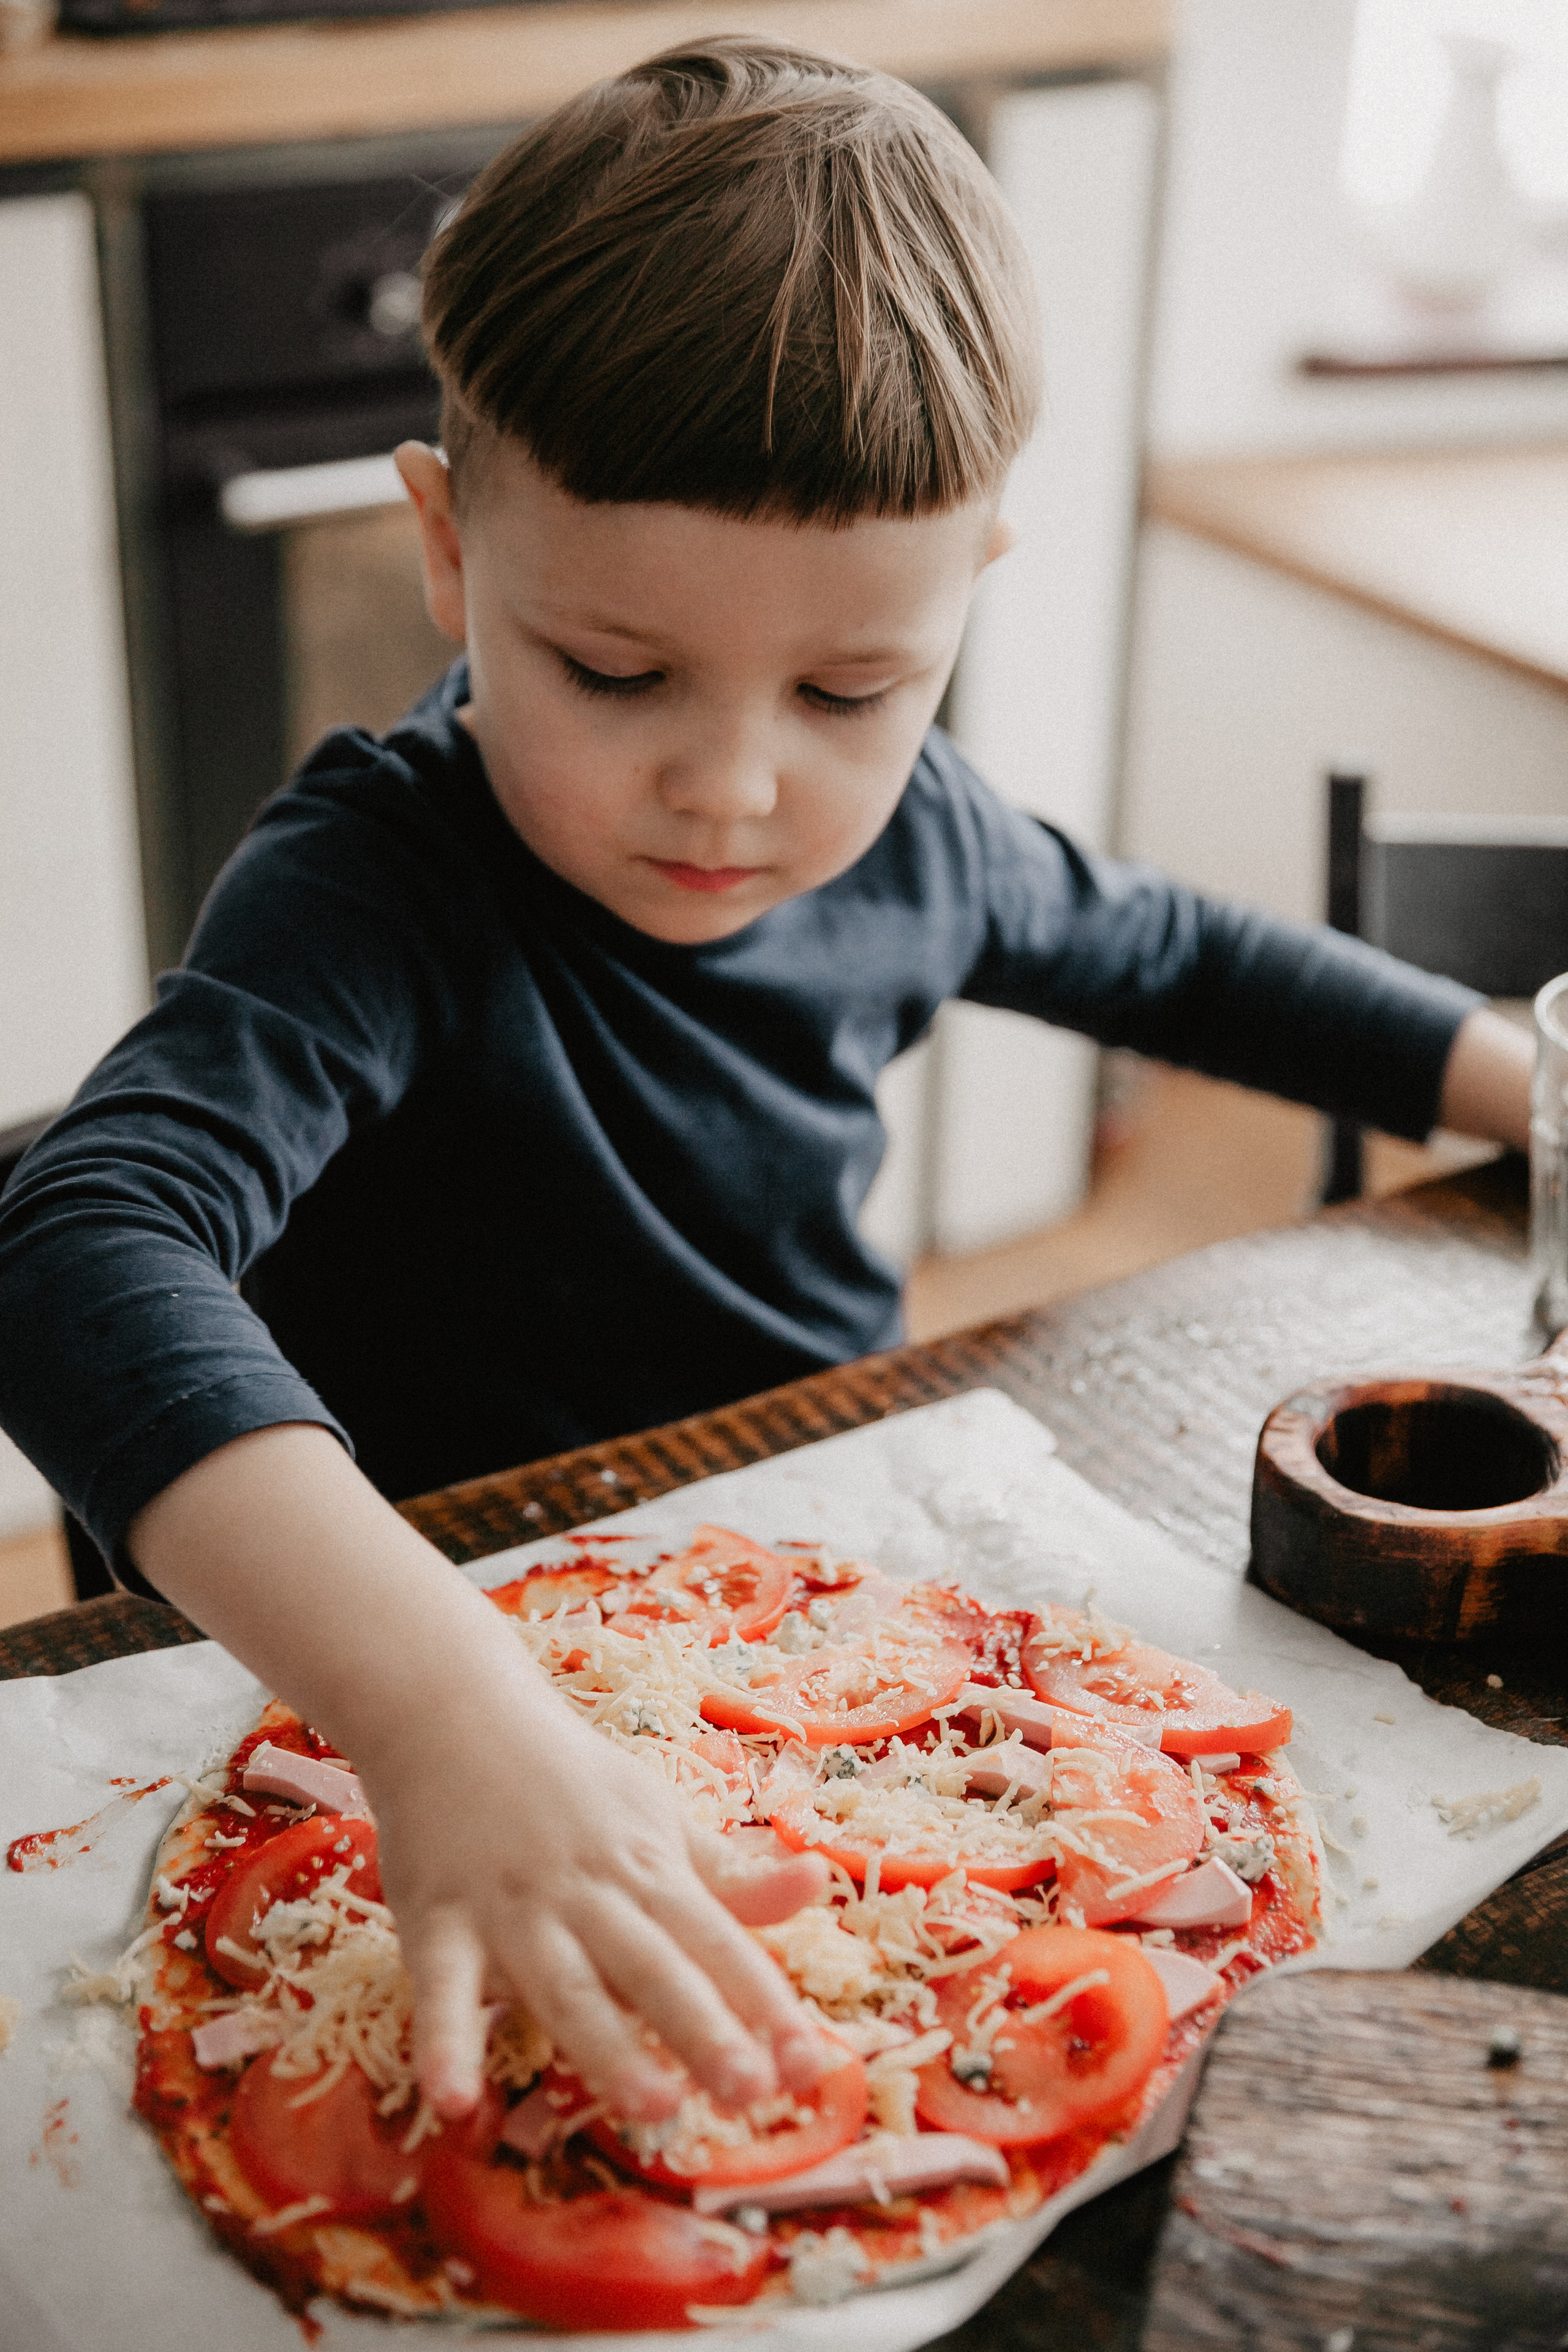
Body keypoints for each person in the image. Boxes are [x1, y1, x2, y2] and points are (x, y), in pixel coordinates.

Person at [0, 39, 1531, 2134]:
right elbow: (78, 1247)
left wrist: (1528, 1083)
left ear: (966, 594)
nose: (731, 787)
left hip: (825, 1571)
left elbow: (1184, 956)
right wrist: (441, 1710)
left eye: (849, 687)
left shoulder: (927, 841)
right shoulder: (374, 888)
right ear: (447, 552)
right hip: (437, 1634)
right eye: (614, 673)